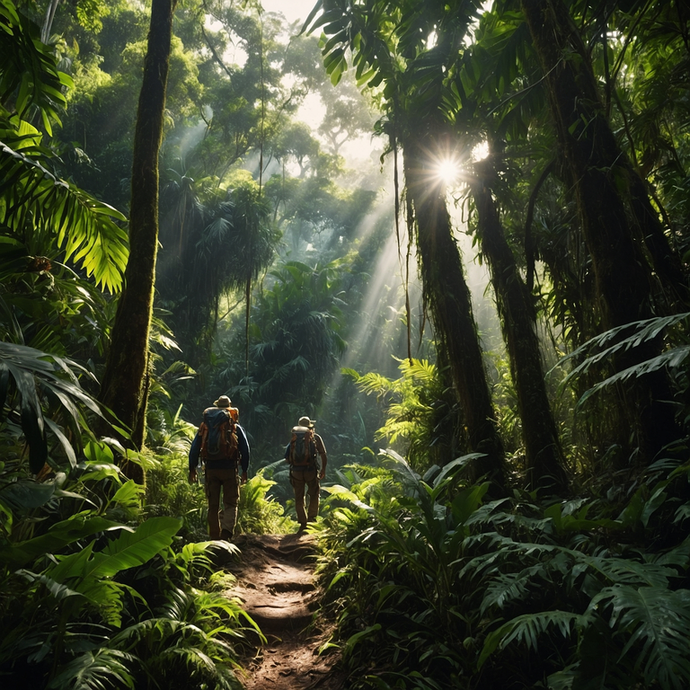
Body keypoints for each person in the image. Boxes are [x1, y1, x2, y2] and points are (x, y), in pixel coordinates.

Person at [189, 395, 249, 540]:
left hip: (211, 469)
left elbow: (194, 448)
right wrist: (244, 470)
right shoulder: (234, 426)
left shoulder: (206, 426)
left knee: (213, 505)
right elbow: (245, 450)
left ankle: (214, 537)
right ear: (230, 407)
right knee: (230, 503)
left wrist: (192, 468)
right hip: (229, 468)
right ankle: (226, 534)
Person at [284, 416, 327, 531]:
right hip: (310, 471)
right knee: (314, 494)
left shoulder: (294, 438)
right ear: (309, 426)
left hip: (296, 473)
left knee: (299, 497)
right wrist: (323, 469)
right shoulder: (315, 437)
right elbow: (323, 454)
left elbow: (287, 458)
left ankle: (303, 523)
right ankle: (311, 520)